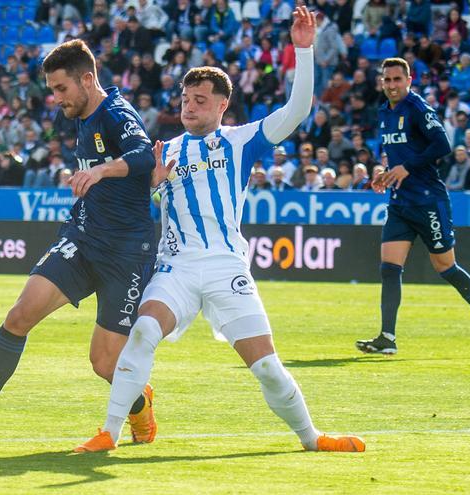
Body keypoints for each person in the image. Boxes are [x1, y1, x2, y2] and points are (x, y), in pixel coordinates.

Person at [75, 6, 364, 455]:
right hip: (177, 268)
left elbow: (299, 109)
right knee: (144, 331)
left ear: (222, 105)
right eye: (186, 100)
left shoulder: (243, 140)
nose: (189, 107)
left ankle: (312, 438)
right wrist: (150, 186)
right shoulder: (161, 151)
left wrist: (303, 51)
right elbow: (134, 208)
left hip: (227, 265)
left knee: (267, 367)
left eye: (200, 101)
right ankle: (109, 433)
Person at [0, 40, 161, 446]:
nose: (56, 98)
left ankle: (140, 405)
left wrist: (101, 171)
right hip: (82, 240)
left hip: (125, 253)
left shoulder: (117, 113)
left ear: (87, 79)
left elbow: (144, 156)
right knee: (19, 315)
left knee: (104, 363)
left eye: (61, 88)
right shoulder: (80, 114)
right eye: (51, 89)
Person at [356, 58, 470, 356]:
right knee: (389, 268)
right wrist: (383, 173)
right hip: (400, 202)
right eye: (387, 80)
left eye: (398, 79)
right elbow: (396, 152)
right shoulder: (384, 111)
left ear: (409, 80)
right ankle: (387, 337)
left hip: (427, 200)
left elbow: (442, 145)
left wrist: (407, 167)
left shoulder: (418, 108)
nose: (392, 85)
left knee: (445, 267)